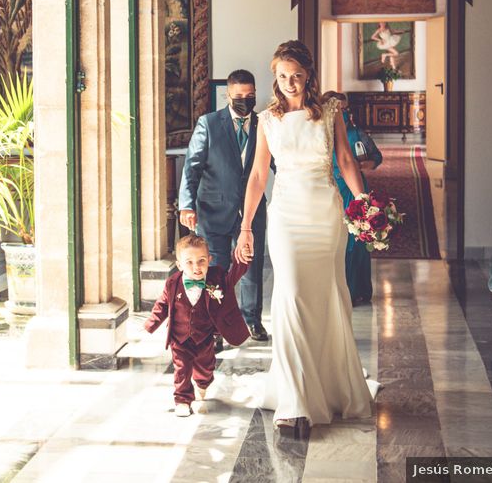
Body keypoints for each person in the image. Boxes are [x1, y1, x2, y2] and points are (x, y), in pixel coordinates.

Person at [234, 40, 376, 437]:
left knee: (326, 297)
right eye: (283, 76)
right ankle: (294, 402)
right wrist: (246, 226)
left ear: (308, 75)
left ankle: (326, 386)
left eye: (297, 75)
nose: (290, 82)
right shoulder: (267, 120)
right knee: (291, 295)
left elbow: (346, 160)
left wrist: (364, 204)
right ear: (275, 79)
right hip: (286, 215)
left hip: (325, 212)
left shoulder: (329, 112)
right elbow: (259, 175)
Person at [179, 69, 270, 342]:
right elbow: (191, 167)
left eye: (250, 95)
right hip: (213, 210)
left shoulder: (263, 124)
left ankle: (252, 320)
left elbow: (277, 163)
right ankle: (215, 327)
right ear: (228, 95)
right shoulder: (209, 123)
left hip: (252, 211)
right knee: (215, 270)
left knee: (251, 267)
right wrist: (187, 204)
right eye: (239, 96)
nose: (245, 100)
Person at [143, 234, 250, 417]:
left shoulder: (216, 278)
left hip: (205, 337)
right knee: (182, 369)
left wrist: (242, 258)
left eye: (201, 261)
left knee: (205, 367)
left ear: (209, 260)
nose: (196, 267)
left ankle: (202, 383)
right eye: (189, 262)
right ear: (179, 265)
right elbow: (162, 304)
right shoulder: (172, 283)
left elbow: (233, 276)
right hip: (180, 338)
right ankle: (182, 400)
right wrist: (151, 324)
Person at [323, 91, 383, 305]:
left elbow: (376, 157)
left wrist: (362, 165)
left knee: (357, 240)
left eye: (345, 109)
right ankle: (338, 289)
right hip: (332, 189)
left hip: (354, 188)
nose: (342, 113)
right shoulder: (321, 134)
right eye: (337, 109)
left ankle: (359, 289)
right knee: (337, 241)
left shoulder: (357, 134)